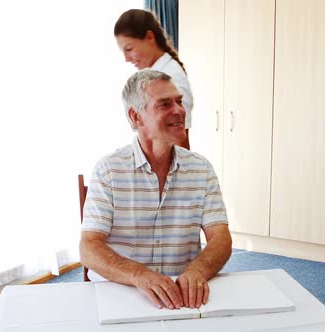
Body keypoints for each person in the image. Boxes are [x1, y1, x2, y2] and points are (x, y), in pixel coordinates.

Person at [79, 70, 232, 310]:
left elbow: (221, 238)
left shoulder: (201, 169)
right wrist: (139, 275)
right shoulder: (108, 170)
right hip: (122, 292)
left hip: (182, 296)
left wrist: (198, 270)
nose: (180, 110)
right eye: (165, 104)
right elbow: (89, 247)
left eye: (179, 101)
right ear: (136, 117)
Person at [114, 8, 192, 149]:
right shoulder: (153, 76)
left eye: (129, 49)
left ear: (150, 37)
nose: (126, 59)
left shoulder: (172, 79)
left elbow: (180, 141)